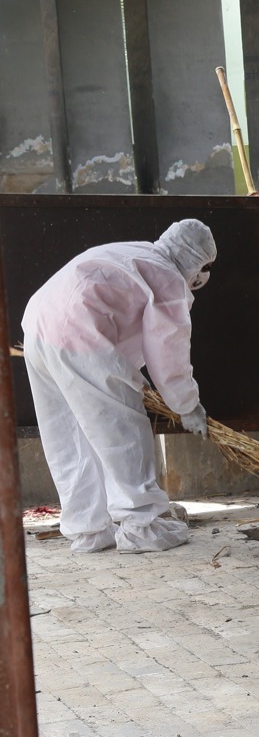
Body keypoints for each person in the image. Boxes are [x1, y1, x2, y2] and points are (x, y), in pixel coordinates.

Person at [21, 219, 217, 553]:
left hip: (39, 329)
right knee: (121, 430)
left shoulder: (138, 251)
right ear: (198, 262)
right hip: (81, 336)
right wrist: (187, 405)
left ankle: (88, 529)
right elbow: (167, 352)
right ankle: (142, 525)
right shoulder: (169, 279)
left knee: (69, 435)